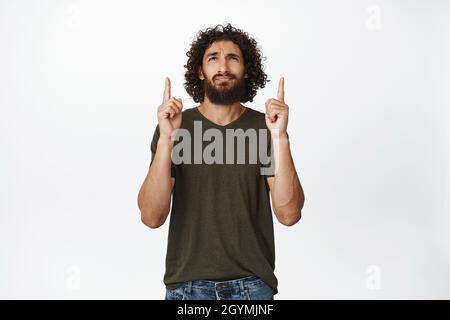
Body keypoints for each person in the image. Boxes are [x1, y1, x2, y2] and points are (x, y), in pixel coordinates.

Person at [137, 23, 305, 300]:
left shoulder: (266, 128)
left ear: (246, 69)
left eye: (233, 58)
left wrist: (281, 137)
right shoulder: (176, 128)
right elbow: (151, 217)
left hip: (252, 289)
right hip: (185, 289)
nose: (223, 66)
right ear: (200, 71)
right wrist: (167, 139)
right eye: (213, 58)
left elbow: (289, 215)